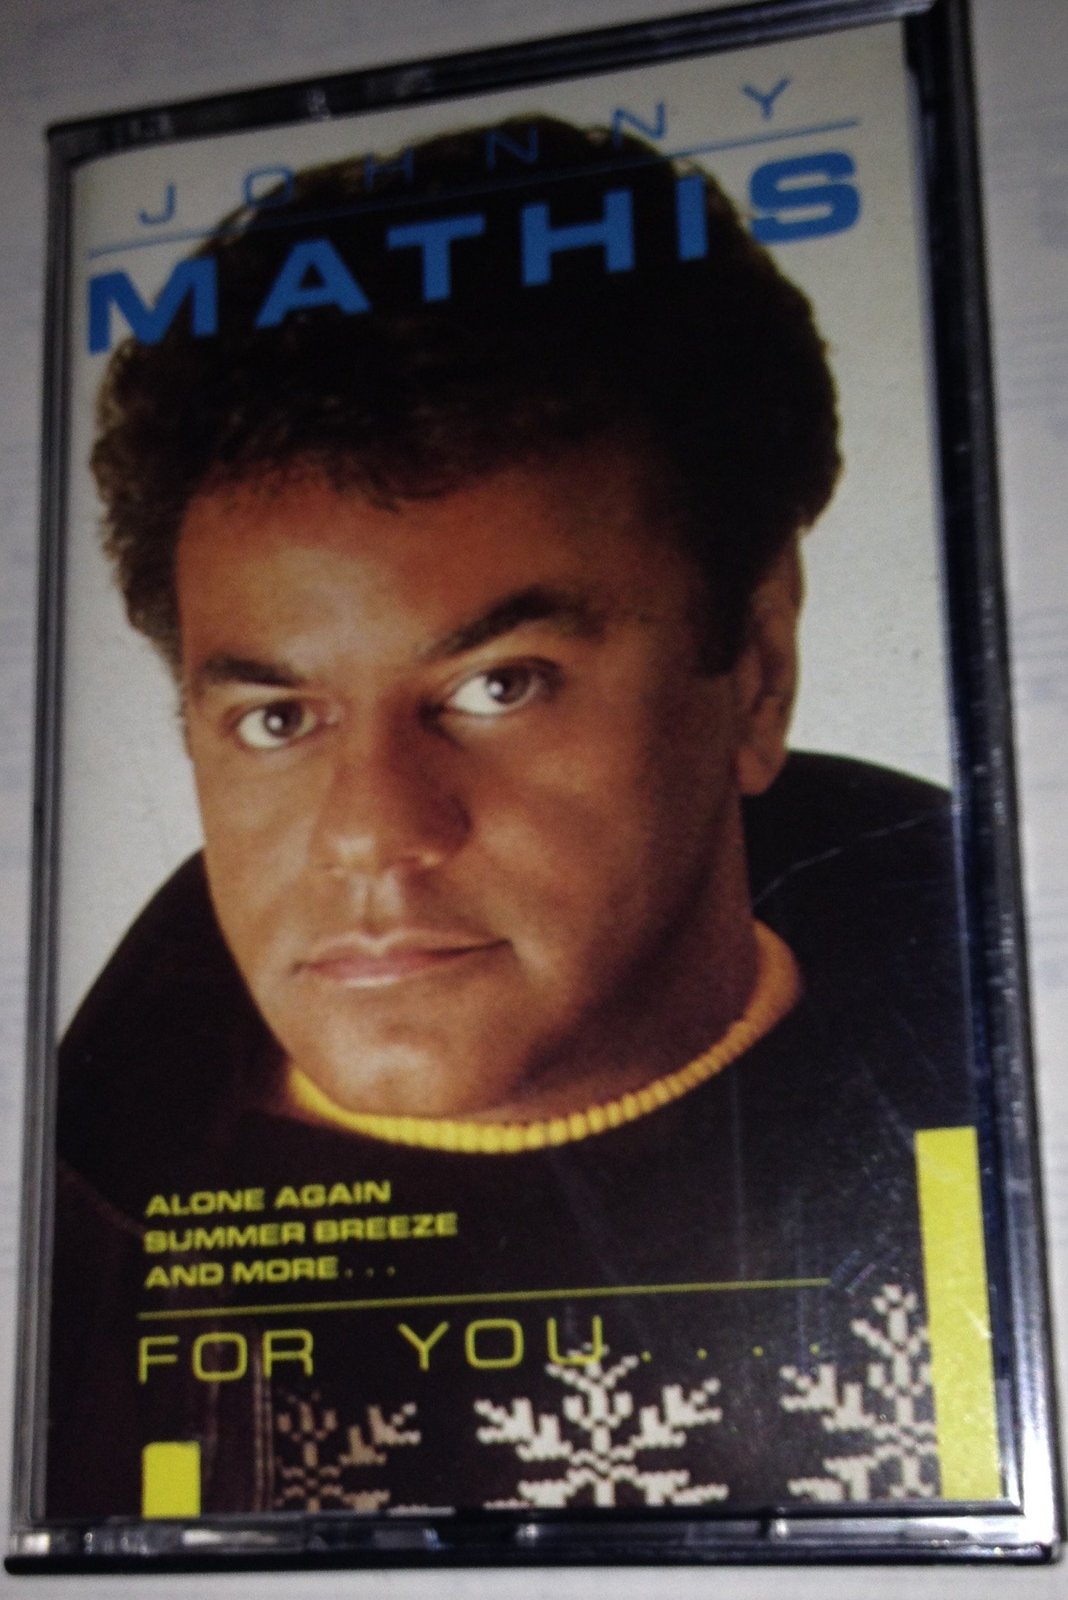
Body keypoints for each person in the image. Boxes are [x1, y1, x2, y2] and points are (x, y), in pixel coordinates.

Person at [50, 118, 974, 1519]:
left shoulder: (1015, 1126)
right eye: (279, 717)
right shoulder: (56, 1290)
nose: (374, 836)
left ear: (757, 667)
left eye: (500, 685)